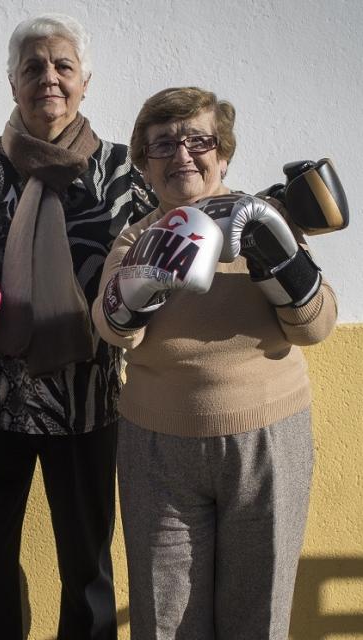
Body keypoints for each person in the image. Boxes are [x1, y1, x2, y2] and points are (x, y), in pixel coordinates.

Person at [0, 13, 155, 640]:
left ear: (85, 83)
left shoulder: (123, 173)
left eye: (62, 66)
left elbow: (178, 239)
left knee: (88, 564)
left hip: (88, 403)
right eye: (32, 67)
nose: (47, 77)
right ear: (12, 81)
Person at [91, 86, 338, 639]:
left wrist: (280, 259)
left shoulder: (267, 218)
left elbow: (317, 327)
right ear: (144, 166)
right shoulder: (135, 236)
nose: (182, 154)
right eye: (163, 145)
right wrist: (145, 278)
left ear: (223, 154)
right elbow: (110, 331)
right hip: (158, 449)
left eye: (198, 140)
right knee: (165, 617)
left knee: (260, 611)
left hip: (267, 439)